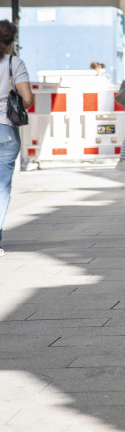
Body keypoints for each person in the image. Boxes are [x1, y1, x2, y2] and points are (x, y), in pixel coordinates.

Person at [0, 20, 35, 257]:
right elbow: (28, 99)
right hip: (6, 130)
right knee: (1, 187)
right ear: (12, 42)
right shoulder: (14, 63)